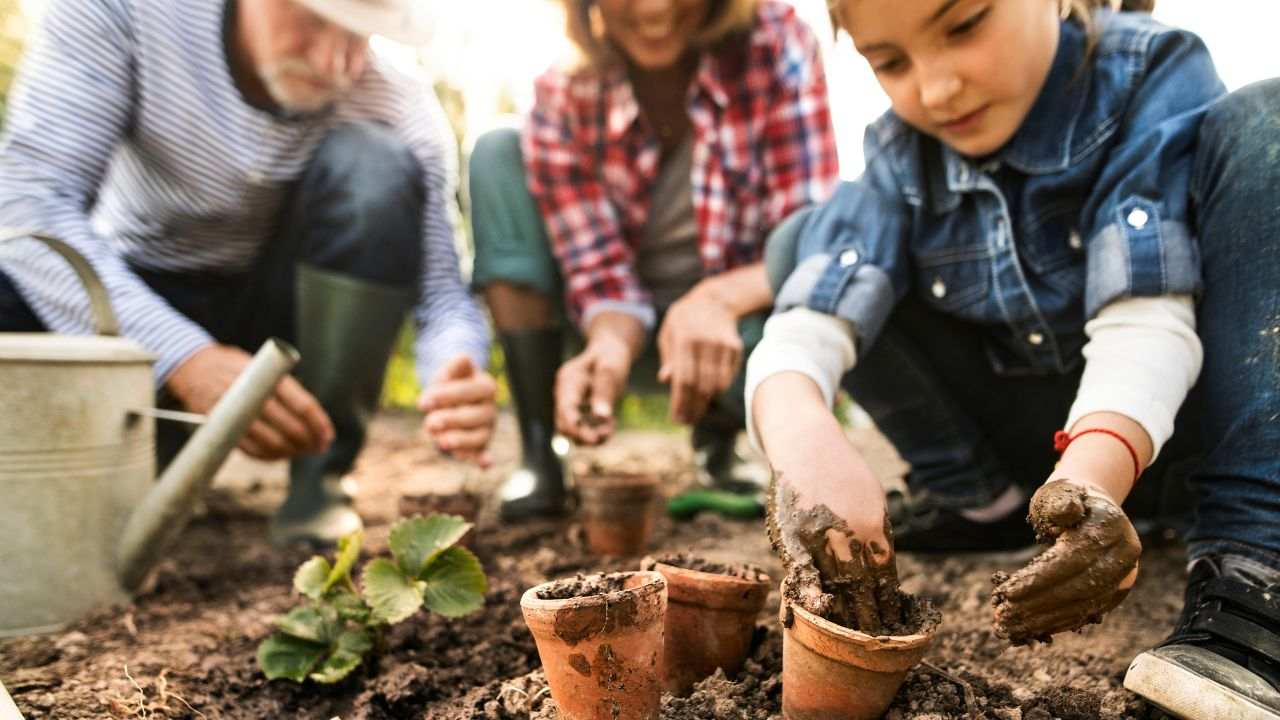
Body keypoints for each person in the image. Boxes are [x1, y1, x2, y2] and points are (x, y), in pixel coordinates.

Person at [746, 0, 1280, 715]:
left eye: (963, 25)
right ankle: (985, 504)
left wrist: (1090, 480)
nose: (935, 91)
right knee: (802, 246)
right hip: (1042, 461)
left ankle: (1255, 569)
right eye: (890, 62)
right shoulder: (900, 151)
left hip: (1173, 436)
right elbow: (809, 320)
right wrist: (806, 444)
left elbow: (1146, 317)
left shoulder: (1148, 73)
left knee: (1267, 122)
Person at [0, 0, 498, 545]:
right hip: (137, 303)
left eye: (361, 35)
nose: (336, 62)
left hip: (279, 317)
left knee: (375, 165)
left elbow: (443, 295)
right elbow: (28, 202)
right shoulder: (122, 11)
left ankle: (320, 479)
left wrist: (457, 368)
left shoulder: (395, 99)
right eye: (312, 20)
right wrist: (186, 359)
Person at [468, 0, 840, 520]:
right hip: (620, 332)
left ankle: (720, 437)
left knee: (823, 287)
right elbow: (597, 271)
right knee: (497, 151)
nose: (656, 7)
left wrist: (715, 300)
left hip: (738, 330)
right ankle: (539, 447)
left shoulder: (776, 41)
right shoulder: (562, 92)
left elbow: (808, 237)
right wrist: (610, 340)